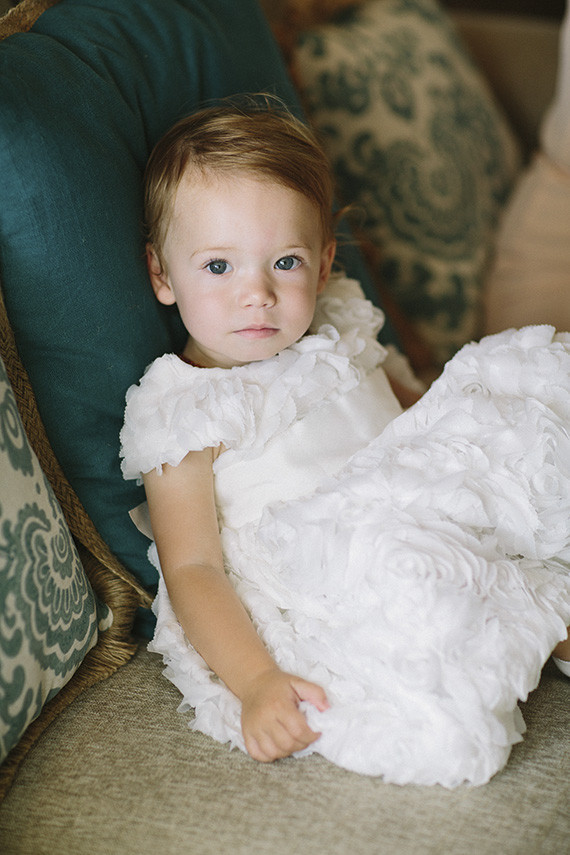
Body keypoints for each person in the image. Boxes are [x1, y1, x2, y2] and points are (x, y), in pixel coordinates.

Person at [121, 99, 570, 788]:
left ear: (325, 263)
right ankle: (530, 618)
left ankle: (544, 607)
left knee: (526, 391)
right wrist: (256, 679)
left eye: (285, 261)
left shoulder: (340, 323)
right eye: (217, 266)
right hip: (339, 567)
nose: (257, 294)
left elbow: (418, 408)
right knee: (428, 595)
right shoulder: (183, 412)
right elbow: (193, 569)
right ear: (162, 275)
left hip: (427, 497)